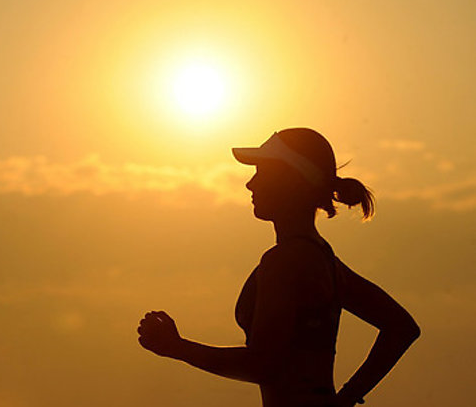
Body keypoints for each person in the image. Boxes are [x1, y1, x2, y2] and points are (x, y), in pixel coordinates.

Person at [136, 128, 420, 407]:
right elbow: (401, 327)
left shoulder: (286, 261)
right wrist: (345, 398)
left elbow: (264, 365)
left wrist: (178, 348)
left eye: (261, 172)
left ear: (292, 180)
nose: (250, 184)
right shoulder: (322, 257)